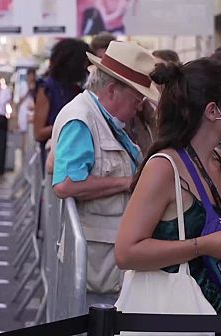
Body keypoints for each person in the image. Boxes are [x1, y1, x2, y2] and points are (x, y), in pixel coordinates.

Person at [114, 58, 221, 321]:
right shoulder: (163, 168)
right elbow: (126, 253)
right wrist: (201, 246)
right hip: (174, 316)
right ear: (212, 111)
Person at [51, 41, 159, 306]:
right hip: (96, 264)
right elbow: (65, 184)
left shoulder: (105, 118)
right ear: (112, 90)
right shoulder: (82, 119)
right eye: (137, 98)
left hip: (105, 259)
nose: (140, 106)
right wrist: (127, 183)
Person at [34, 38, 90, 165]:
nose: (86, 68)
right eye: (84, 63)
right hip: (55, 158)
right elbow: (38, 133)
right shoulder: (47, 88)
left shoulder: (77, 89)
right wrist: (67, 124)